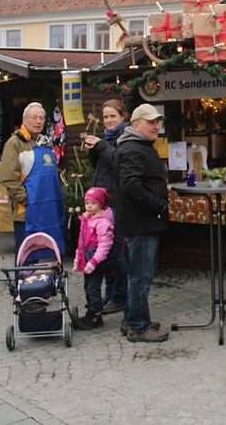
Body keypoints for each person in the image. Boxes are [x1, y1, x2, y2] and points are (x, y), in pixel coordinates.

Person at [111, 103, 169, 343]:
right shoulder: (133, 149)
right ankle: (138, 326)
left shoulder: (137, 146)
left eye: (157, 122)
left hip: (140, 222)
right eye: (150, 122)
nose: (156, 126)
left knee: (137, 274)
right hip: (141, 223)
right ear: (136, 125)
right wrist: (157, 204)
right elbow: (130, 185)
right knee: (140, 277)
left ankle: (131, 319)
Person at [83, 99, 129, 315]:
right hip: (102, 203)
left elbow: (120, 163)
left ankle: (120, 296)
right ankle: (111, 295)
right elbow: (101, 167)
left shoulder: (125, 137)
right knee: (107, 250)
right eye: (106, 117)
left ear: (123, 117)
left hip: (116, 203)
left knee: (116, 252)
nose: (109, 120)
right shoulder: (107, 138)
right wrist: (94, 150)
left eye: (113, 116)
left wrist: (101, 146)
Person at [0, 102, 66, 255]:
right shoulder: (14, 143)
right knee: (26, 256)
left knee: (48, 254)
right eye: (34, 118)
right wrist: (27, 199)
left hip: (47, 211)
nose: (38, 121)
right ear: (24, 120)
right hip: (26, 213)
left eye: (41, 118)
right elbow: (8, 177)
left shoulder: (46, 143)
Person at [74, 186, 116, 330]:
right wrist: (77, 258)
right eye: (87, 203)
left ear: (101, 204)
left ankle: (96, 315)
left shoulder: (103, 222)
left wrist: (94, 261)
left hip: (95, 261)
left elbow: (105, 245)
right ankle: (90, 311)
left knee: (93, 288)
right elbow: (81, 242)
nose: (89, 206)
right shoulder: (87, 220)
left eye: (93, 203)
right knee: (87, 287)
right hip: (87, 259)